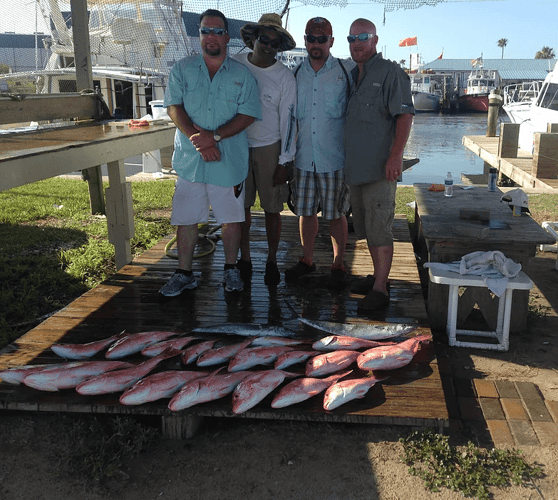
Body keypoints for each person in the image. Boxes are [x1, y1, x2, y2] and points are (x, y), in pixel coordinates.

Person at [159, 9, 261, 297]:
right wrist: (198, 139)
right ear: (199, 35)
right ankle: (184, 274)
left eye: (217, 31)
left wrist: (213, 138)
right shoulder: (182, 69)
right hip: (191, 161)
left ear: (227, 36)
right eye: (205, 30)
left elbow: (248, 114)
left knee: (231, 220)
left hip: (228, 162)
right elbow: (173, 108)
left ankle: (231, 270)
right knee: (186, 219)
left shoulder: (243, 74)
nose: (211, 36)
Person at [343, 18, 414, 311]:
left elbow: (405, 116)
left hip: (380, 170)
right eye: (352, 38)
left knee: (380, 228)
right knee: (365, 228)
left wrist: (396, 156)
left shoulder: (391, 73)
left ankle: (381, 288)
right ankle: (376, 276)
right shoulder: (350, 74)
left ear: (375, 39)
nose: (357, 42)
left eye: (363, 36)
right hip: (355, 169)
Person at [285, 17, 352, 287]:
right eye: (311, 38)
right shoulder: (294, 74)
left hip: (334, 157)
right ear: (305, 40)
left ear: (332, 42)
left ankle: (338, 263)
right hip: (303, 157)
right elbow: (287, 118)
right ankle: (307, 259)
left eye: (322, 38)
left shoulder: (346, 72)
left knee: (337, 213)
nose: (316, 43)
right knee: (306, 211)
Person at [232, 13, 297, 286]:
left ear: (278, 45)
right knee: (240, 209)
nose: (267, 45)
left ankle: (271, 259)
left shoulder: (285, 77)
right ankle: (244, 258)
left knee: (273, 209)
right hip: (236, 145)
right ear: (253, 39)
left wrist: (285, 161)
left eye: (273, 42)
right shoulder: (233, 64)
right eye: (263, 39)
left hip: (270, 147)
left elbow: (289, 121)